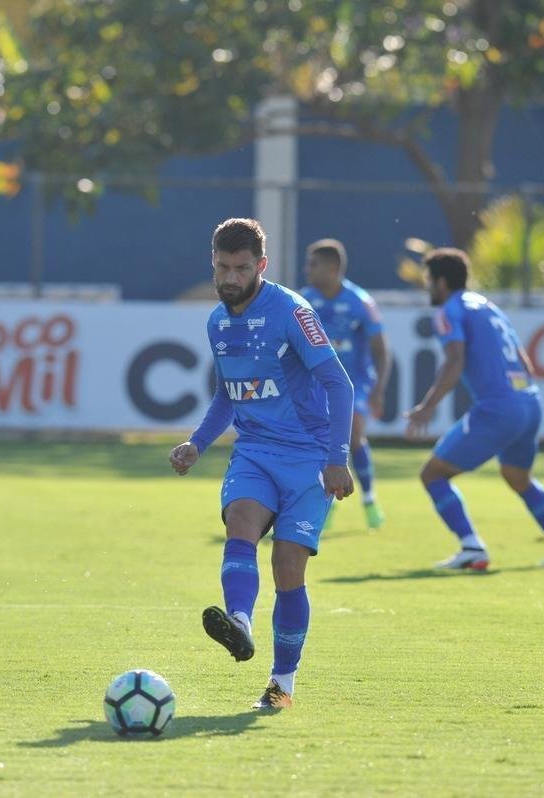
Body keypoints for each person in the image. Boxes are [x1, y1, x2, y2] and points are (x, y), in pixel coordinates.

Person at [169, 218, 355, 710]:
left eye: (242, 268)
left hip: (309, 456)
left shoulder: (292, 311)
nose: (231, 277)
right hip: (254, 451)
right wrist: (197, 443)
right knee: (240, 523)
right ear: (213, 262)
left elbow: (340, 385)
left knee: (287, 566)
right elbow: (227, 396)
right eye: (223, 267)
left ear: (261, 266)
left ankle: (282, 685)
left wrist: (338, 459)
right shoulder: (216, 322)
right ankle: (241, 623)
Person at [405, 248, 544, 570]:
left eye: (430, 280)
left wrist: (427, 406)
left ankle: (471, 546)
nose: (428, 288)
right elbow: (524, 361)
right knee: (517, 476)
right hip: (530, 401)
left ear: (441, 282)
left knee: (433, 474)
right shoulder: (488, 306)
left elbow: (454, 360)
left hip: (500, 407)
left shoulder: (449, 310)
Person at [300, 238, 392, 529]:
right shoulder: (303, 300)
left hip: (355, 383)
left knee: (352, 437)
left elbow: (381, 349)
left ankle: (369, 499)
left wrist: (379, 389)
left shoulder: (360, 302)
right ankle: (326, 501)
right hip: (317, 385)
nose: (307, 270)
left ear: (332, 268)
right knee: (317, 442)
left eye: (313, 264)